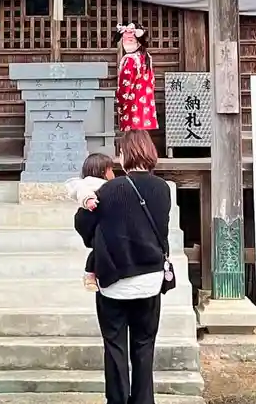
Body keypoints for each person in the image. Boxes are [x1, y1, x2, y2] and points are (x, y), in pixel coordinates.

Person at [75, 129, 170, 404]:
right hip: (150, 279)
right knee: (144, 346)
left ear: (124, 154)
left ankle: (117, 400)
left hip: (114, 281)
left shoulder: (109, 190)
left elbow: (85, 228)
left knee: (115, 346)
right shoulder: (163, 189)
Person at [67, 151, 115, 290]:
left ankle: (90, 275)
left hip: (96, 223)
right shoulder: (90, 184)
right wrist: (89, 200)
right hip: (93, 218)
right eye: (111, 170)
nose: (113, 174)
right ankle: (89, 274)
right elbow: (83, 193)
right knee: (99, 247)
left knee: (98, 249)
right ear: (103, 171)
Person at [116, 23, 157, 133]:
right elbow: (152, 82)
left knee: (132, 138)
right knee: (142, 137)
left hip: (132, 107)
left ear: (138, 41)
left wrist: (120, 103)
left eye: (130, 40)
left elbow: (125, 87)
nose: (126, 43)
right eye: (124, 40)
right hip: (145, 106)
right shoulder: (146, 57)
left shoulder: (130, 59)